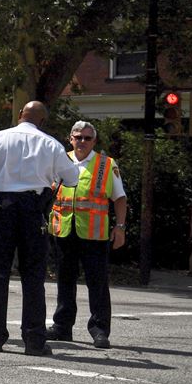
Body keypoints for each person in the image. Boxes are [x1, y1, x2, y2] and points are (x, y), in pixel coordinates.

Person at [0, 101, 80, 355]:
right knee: (33, 276)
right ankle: (34, 340)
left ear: (20, 115)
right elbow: (71, 179)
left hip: (0, 207)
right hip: (32, 210)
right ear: (42, 121)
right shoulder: (51, 144)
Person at [47, 121, 127, 349]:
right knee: (65, 280)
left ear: (94, 141)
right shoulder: (59, 161)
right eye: (78, 137)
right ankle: (62, 327)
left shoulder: (106, 165)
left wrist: (120, 227)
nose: (82, 141)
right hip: (64, 230)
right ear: (70, 138)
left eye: (87, 138)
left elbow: (119, 198)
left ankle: (100, 330)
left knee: (98, 283)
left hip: (94, 234)